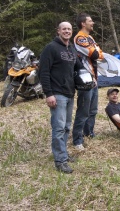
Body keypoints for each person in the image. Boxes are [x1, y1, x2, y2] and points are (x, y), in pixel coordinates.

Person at [39, 22, 82, 174]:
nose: (67, 31)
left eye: (69, 29)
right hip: (57, 93)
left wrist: (88, 76)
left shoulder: (71, 48)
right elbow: (43, 72)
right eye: (64, 29)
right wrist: (48, 93)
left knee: (66, 127)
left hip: (70, 92)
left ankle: (63, 153)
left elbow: (77, 66)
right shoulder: (51, 48)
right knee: (58, 128)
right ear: (58, 31)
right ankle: (60, 161)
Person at [72, 13, 104, 151]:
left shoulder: (90, 38)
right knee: (83, 111)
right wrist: (96, 50)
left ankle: (88, 132)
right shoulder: (80, 38)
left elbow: (101, 55)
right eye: (90, 21)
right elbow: (96, 54)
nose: (93, 23)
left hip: (94, 79)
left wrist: (96, 50)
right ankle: (77, 139)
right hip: (85, 80)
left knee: (93, 110)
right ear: (83, 24)